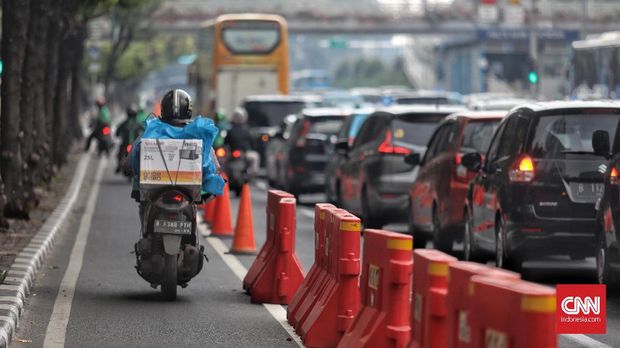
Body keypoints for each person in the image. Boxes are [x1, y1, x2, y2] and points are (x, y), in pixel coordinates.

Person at [129, 89, 225, 204]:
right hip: (189, 193)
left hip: (155, 193)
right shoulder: (198, 132)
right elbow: (213, 166)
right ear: (188, 110)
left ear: (163, 109)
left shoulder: (152, 129)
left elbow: (133, 158)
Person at [224, 107, 260, 176]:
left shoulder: (230, 129)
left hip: (234, 153)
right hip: (244, 153)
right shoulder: (247, 130)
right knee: (256, 157)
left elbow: (225, 142)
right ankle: (252, 174)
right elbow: (253, 142)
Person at [115, 104, 144, 173]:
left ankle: (119, 165)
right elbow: (144, 131)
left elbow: (117, 132)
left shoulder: (124, 123)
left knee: (119, 154)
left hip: (126, 144)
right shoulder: (138, 123)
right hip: (135, 144)